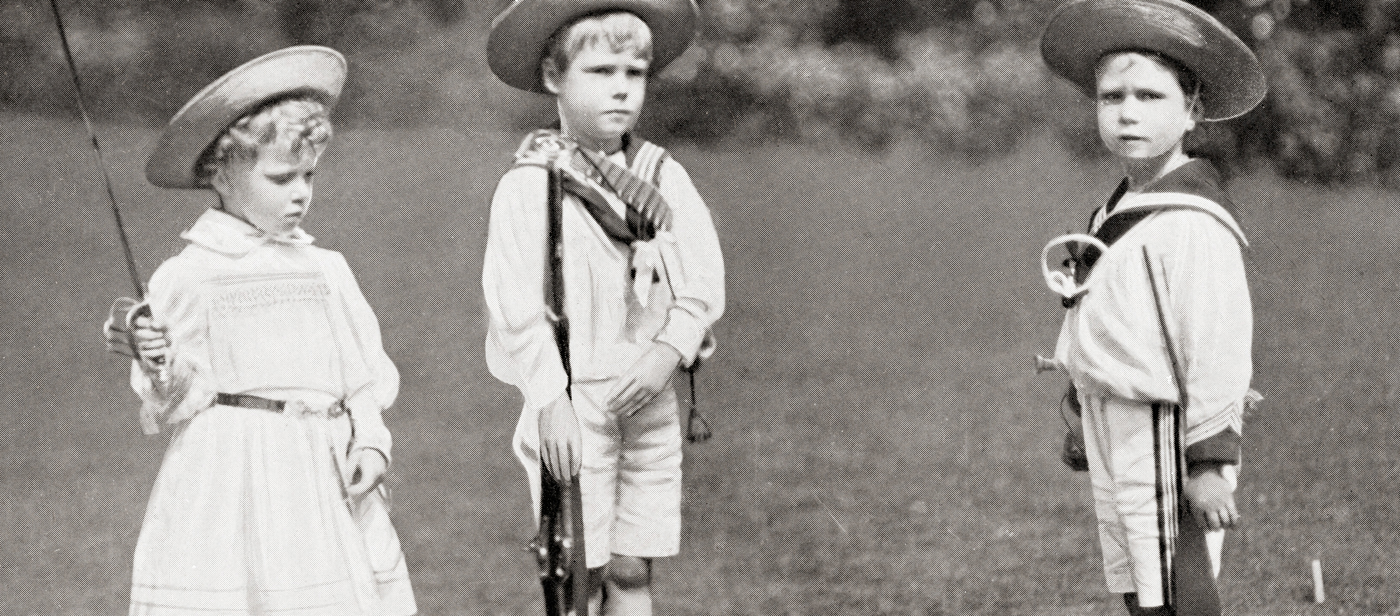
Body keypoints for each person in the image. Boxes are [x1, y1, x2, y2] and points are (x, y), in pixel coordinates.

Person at [102, 46, 415, 616]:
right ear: (220, 175)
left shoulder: (326, 269)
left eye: (308, 175)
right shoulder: (193, 272)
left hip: (321, 474)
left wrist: (370, 440)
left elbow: (361, 376)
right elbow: (176, 399)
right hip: (235, 477)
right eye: (280, 178)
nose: (300, 193)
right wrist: (159, 362)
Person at [481, 1, 724, 614]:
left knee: (632, 566)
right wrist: (548, 400)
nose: (620, 89)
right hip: (575, 400)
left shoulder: (661, 176)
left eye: (633, 73)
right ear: (553, 78)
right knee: (576, 574)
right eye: (599, 72)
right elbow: (515, 308)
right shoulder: (530, 183)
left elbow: (701, 281)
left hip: (648, 393)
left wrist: (667, 354)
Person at [1037, 1, 1267, 614]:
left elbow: (1217, 346)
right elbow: (1098, 314)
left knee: (1177, 586)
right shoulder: (1117, 209)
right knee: (1138, 584)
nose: (1129, 112)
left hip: (1170, 430)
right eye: (1113, 98)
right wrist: (1081, 412)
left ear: (1192, 110)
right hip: (1118, 425)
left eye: (1151, 97)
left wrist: (1210, 461)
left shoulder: (1194, 225)